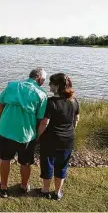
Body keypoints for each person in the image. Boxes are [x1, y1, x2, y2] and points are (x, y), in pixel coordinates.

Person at [0, 68, 48, 198]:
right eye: (44, 80)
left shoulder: (12, 85)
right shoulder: (42, 94)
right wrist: (37, 135)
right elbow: (41, 119)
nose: (44, 82)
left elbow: (0, 105)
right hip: (27, 135)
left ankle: (3, 187)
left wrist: (1, 122)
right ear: (40, 79)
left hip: (6, 130)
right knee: (25, 162)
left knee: (5, 159)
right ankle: (24, 186)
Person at [36, 73, 80, 201]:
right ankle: (57, 193)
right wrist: (70, 131)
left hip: (50, 139)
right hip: (68, 139)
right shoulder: (74, 101)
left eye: (51, 83)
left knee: (48, 163)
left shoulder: (51, 102)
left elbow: (45, 122)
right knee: (62, 165)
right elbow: (76, 119)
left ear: (58, 86)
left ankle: (45, 190)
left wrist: (38, 135)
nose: (49, 85)